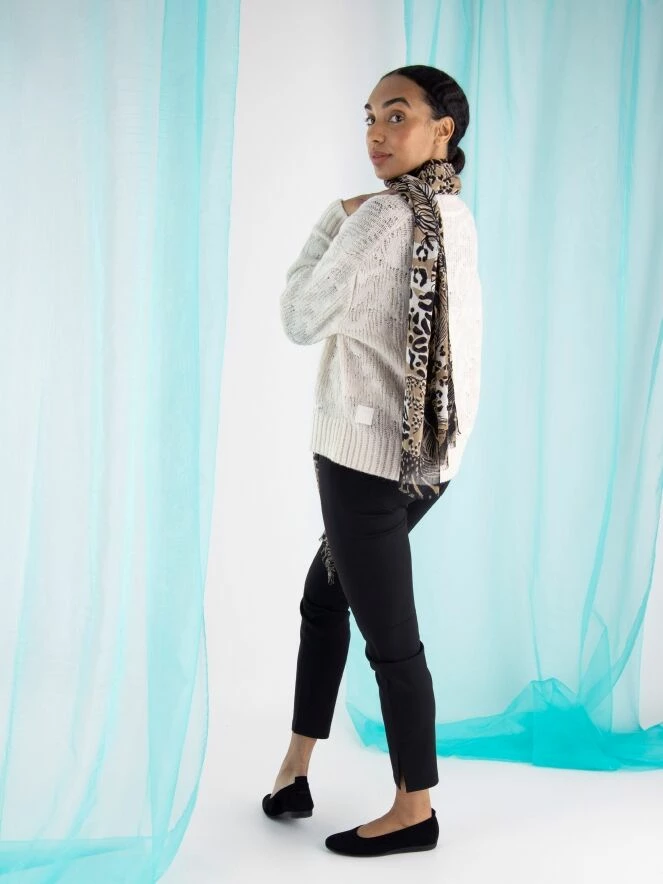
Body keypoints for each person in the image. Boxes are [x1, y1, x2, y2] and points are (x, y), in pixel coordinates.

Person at [263, 65, 483, 857]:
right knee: (324, 600)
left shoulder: (381, 218)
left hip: (362, 461)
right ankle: (294, 769)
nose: (376, 135)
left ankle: (413, 809)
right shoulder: (453, 212)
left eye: (396, 116)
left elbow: (299, 316)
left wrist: (334, 217)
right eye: (368, 118)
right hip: (427, 462)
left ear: (440, 129)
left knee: (390, 637)